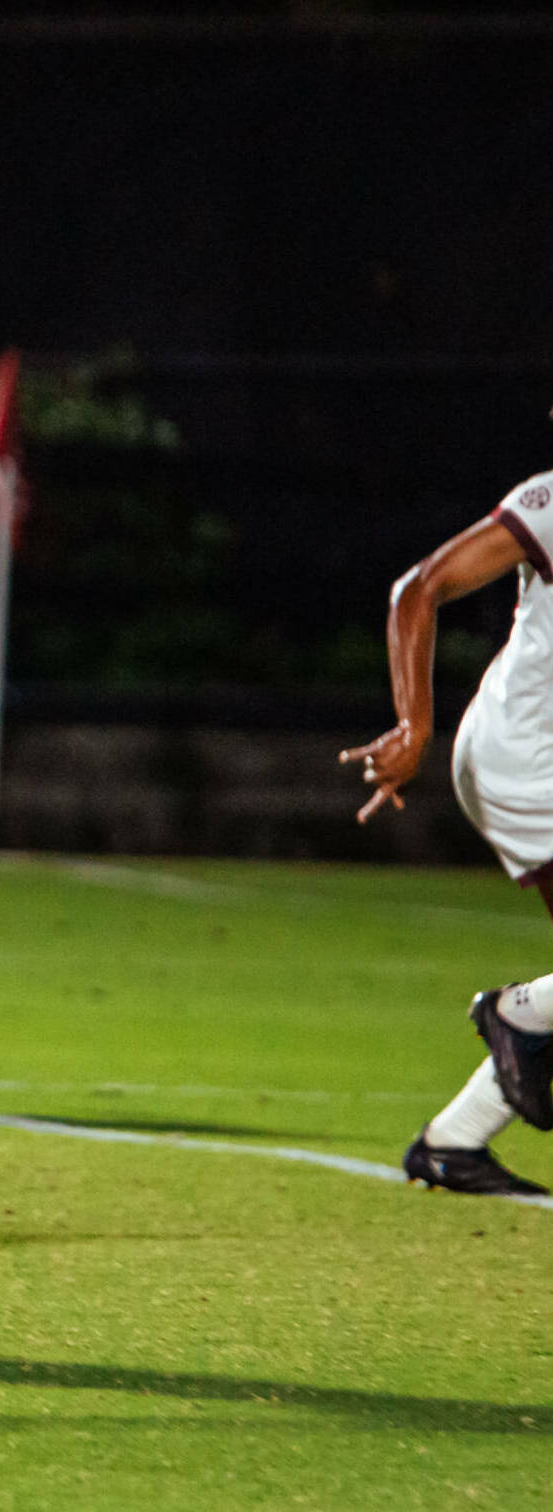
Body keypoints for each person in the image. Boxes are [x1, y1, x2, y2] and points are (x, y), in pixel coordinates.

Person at [342, 468, 553, 1196]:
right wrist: (412, 724)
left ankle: (452, 1142)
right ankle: (514, 1015)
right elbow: (417, 589)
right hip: (524, 758)